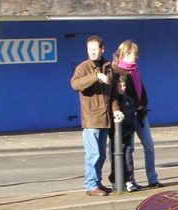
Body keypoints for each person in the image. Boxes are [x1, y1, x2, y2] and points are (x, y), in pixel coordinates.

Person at [70, 35, 120, 197]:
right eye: (89, 49)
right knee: (93, 154)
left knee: (102, 154)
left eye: (95, 49)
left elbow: (112, 94)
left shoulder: (108, 67)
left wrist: (116, 110)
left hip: (105, 119)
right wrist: (95, 76)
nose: (92, 52)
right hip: (91, 118)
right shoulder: (82, 68)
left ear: (102, 49)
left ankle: (97, 182)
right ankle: (91, 185)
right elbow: (75, 84)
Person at [112, 40, 163, 188]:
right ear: (126, 53)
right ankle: (130, 180)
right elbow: (120, 95)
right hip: (127, 115)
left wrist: (143, 105)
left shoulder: (135, 70)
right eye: (134, 53)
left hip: (140, 114)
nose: (136, 57)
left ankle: (152, 179)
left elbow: (142, 90)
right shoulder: (117, 71)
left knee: (149, 146)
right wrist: (131, 108)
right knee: (129, 149)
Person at [111, 75, 139, 191]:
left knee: (128, 158)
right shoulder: (114, 101)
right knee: (116, 157)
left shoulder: (128, 100)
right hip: (117, 134)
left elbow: (132, 115)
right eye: (119, 86)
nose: (122, 88)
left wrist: (132, 128)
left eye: (124, 85)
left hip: (128, 132)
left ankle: (129, 180)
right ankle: (116, 181)